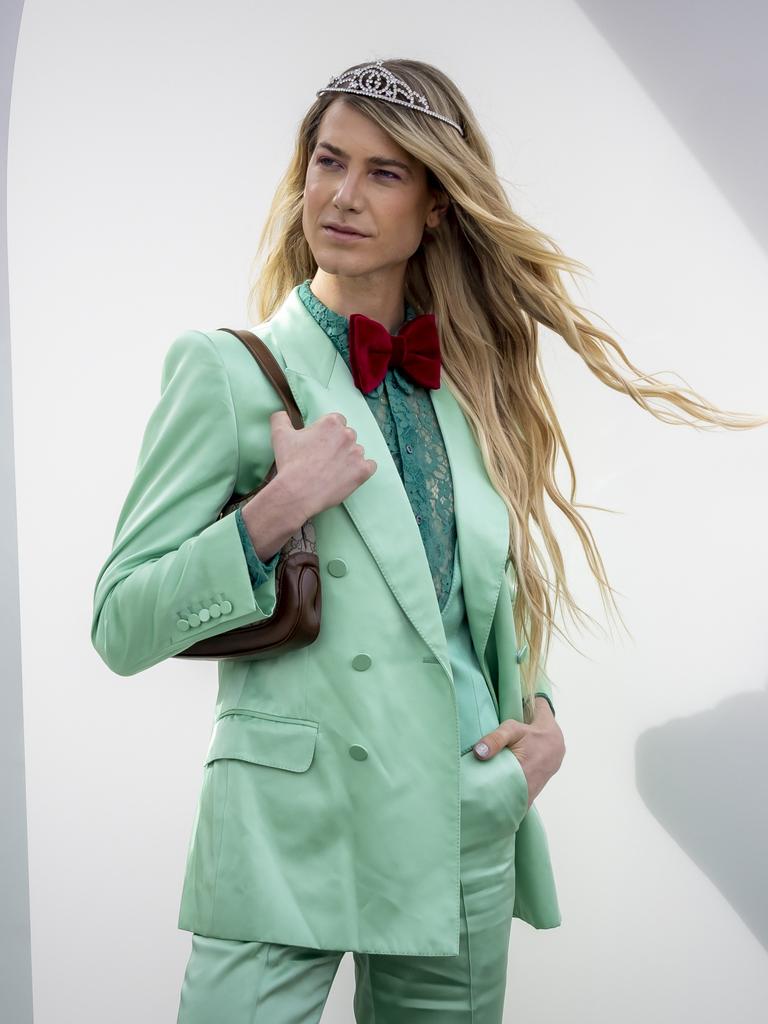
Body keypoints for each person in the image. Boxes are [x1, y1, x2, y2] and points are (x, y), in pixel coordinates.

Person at [90, 58, 766, 1023]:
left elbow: (480, 600)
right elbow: (120, 623)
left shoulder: (472, 383)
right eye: (329, 161)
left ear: (439, 204)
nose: (343, 195)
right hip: (289, 823)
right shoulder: (229, 373)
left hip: (460, 809)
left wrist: (540, 723)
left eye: (384, 171)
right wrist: (272, 511)